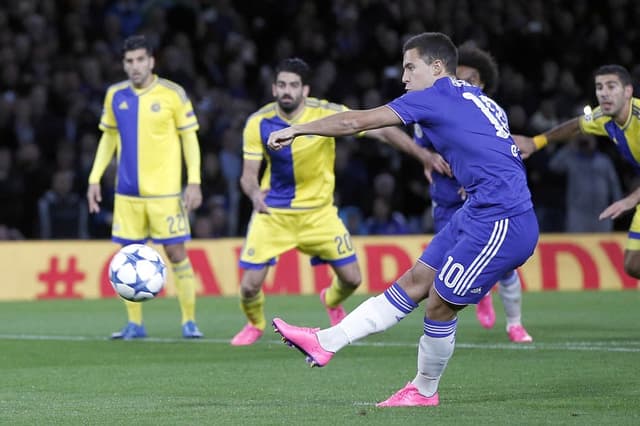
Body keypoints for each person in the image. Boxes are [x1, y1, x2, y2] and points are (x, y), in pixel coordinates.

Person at [268, 32, 538, 407]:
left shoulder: (435, 96)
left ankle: (425, 390)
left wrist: (298, 128)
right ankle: (325, 342)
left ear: (437, 67)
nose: (404, 78)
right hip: (477, 210)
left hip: (503, 220)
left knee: (439, 303)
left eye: (410, 67)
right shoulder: (480, 99)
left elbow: (355, 123)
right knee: (414, 282)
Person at [231, 57, 448, 346]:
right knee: (248, 288)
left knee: (351, 279)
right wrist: (254, 193)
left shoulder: (327, 113)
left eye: (293, 85)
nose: (287, 91)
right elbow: (247, 175)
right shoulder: (258, 122)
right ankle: (255, 324)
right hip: (274, 215)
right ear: (273, 88)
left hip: (319, 214)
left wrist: (423, 155)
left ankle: (330, 300)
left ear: (305, 90)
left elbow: (382, 130)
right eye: (281, 85)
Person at [87, 35, 204, 339]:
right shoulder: (115, 95)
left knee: (176, 252)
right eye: (129, 61)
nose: (135, 66)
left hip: (165, 194)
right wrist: (94, 177)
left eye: (140, 60)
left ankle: (189, 321)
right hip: (128, 193)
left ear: (151, 61)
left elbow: (190, 138)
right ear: (123, 64)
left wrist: (194, 181)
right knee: (128, 258)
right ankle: (135, 324)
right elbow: (108, 138)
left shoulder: (173, 94)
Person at [414, 43, 533, 342]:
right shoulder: (432, 110)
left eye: (471, 81)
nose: (464, 84)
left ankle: (515, 323)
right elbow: (422, 147)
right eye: (459, 78)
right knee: (449, 263)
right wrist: (427, 158)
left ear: (483, 85)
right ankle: (481, 298)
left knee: (505, 268)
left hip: (486, 201)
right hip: (447, 199)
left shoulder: (492, 115)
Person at [515, 64, 640, 278]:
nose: (604, 93)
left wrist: (630, 200)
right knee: (633, 265)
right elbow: (575, 126)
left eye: (612, 86)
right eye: (599, 87)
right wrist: (536, 142)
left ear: (628, 91)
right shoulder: (604, 118)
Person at [548, 134, 622, 232]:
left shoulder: (603, 160)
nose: (585, 143)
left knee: (601, 243)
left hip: (602, 212)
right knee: (577, 243)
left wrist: (618, 204)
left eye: (589, 139)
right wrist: (570, 146)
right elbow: (553, 165)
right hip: (578, 214)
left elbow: (614, 184)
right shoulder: (571, 159)